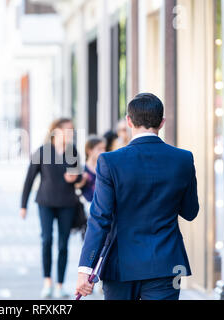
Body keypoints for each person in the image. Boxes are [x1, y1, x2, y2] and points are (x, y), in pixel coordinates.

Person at [76, 93, 199, 300]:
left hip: (120, 264)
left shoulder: (110, 161)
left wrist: (85, 270)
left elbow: (100, 219)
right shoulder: (183, 159)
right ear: (162, 122)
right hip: (166, 263)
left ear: (129, 121)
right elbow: (190, 212)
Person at [20, 118, 82, 299]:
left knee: (63, 245)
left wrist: (75, 179)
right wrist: (23, 205)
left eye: (72, 130)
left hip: (67, 203)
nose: (70, 133)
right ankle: (47, 281)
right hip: (45, 202)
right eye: (67, 130)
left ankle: (60, 285)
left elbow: (79, 177)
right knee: (46, 240)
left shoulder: (73, 152)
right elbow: (29, 179)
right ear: (56, 131)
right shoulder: (43, 151)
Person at [75, 136, 106, 203]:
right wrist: (82, 180)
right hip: (87, 205)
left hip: (103, 206)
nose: (103, 151)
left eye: (104, 148)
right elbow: (75, 187)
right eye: (99, 149)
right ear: (89, 151)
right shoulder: (82, 168)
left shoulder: (105, 168)